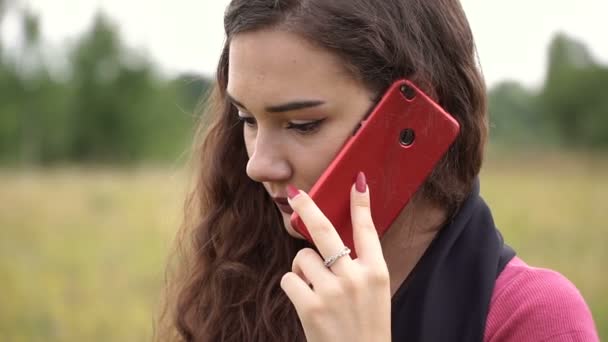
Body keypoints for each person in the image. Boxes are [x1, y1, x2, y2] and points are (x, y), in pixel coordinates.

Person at [155, 0, 599, 341]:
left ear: (413, 116)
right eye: (247, 119)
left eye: (302, 124)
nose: (257, 164)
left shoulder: (534, 317)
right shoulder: (251, 281)